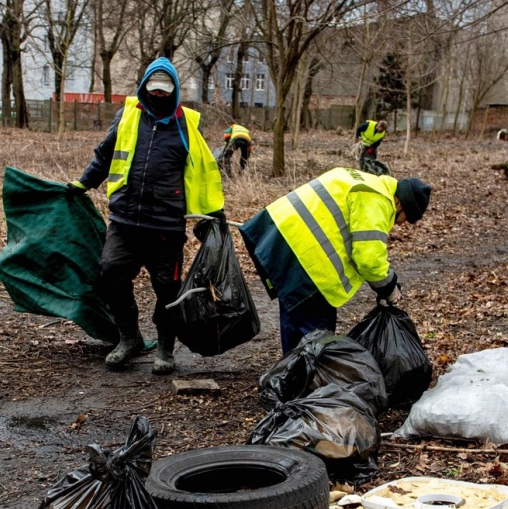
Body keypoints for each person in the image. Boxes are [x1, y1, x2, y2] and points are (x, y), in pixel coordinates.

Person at [66, 58, 225, 375]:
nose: (159, 96)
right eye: (154, 90)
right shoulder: (127, 116)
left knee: (167, 290)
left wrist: (213, 217)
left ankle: (165, 348)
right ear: (144, 88)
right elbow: (105, 153)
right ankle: (130, 338)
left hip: (166, 226)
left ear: (175, 90)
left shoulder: (188, 125)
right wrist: (84, 182)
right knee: (111, 273)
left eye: (165, 91)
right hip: (125, 221)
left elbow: (205, 174)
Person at [240, 166, 432, 353]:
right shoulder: (376, 199)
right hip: (309, 262)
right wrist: (389, 287)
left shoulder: (359, 179)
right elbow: (369, 259)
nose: (400, 224)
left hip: (280, 238)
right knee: (315, 334)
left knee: (294, 320)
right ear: (399, 204)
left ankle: (290, 375)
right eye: (406, 218)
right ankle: (306, 381)